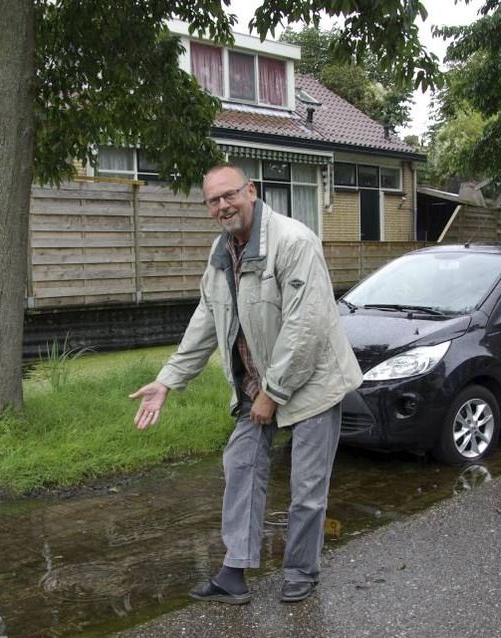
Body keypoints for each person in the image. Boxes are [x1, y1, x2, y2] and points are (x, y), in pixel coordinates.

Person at [129, 163, 362, 604]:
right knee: (241, 465)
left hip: (313, 380)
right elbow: (205, 322)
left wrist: (273, 395)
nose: (222, 206)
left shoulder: (295, 242)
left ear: (250, 191)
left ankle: (301, 569)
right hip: (259, 387)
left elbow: (305, 327)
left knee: (307, 487)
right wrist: (167, 381)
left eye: (229, 195)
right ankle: (234, 572)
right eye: (213, 200)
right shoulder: (221, 255)